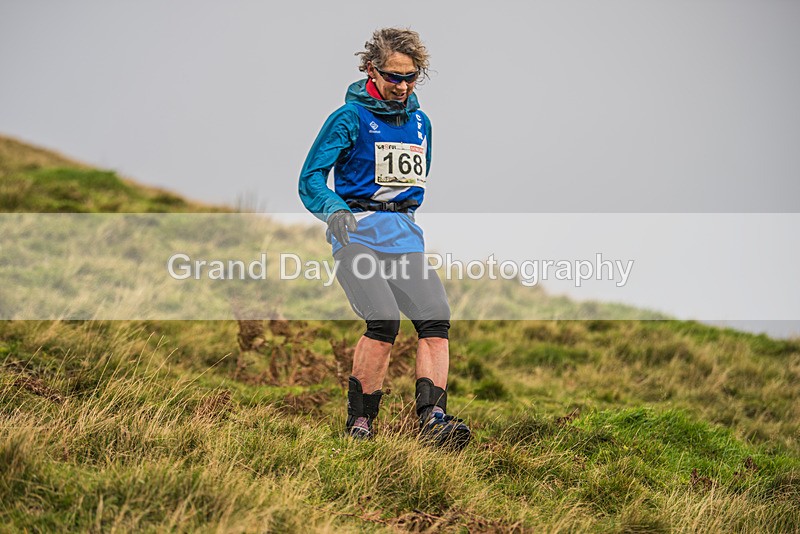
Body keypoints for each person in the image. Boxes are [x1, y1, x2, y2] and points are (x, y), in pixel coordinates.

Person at [298, 28, 470, 449]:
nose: (403, 86)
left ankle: (433, 420)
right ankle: (360, 424)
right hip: (356, 236)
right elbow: (310, 179)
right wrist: (334, 209)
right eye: (394, 76)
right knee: (384, 320)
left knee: (435, 317)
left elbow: (412, 184)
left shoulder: (421, 123)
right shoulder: (348, 118)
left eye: (411, 77)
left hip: (404, 238)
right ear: (371, 70)